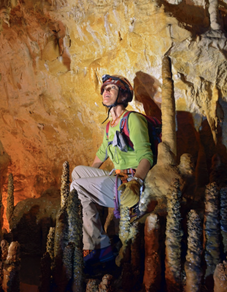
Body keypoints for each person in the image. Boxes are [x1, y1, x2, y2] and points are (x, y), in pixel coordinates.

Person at [70, 74, 153, 266]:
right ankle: (96, 234)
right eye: (104, 89)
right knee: (77, 174)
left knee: (78, 186)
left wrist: (136, 182)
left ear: (123, 95)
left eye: (111, 89)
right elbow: (101, 155)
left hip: (129, 182)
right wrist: (86, 185)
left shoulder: (133, 120)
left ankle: (97, 246)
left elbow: (146, 156)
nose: (105, 92)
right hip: (115, 178)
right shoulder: (109, 126)